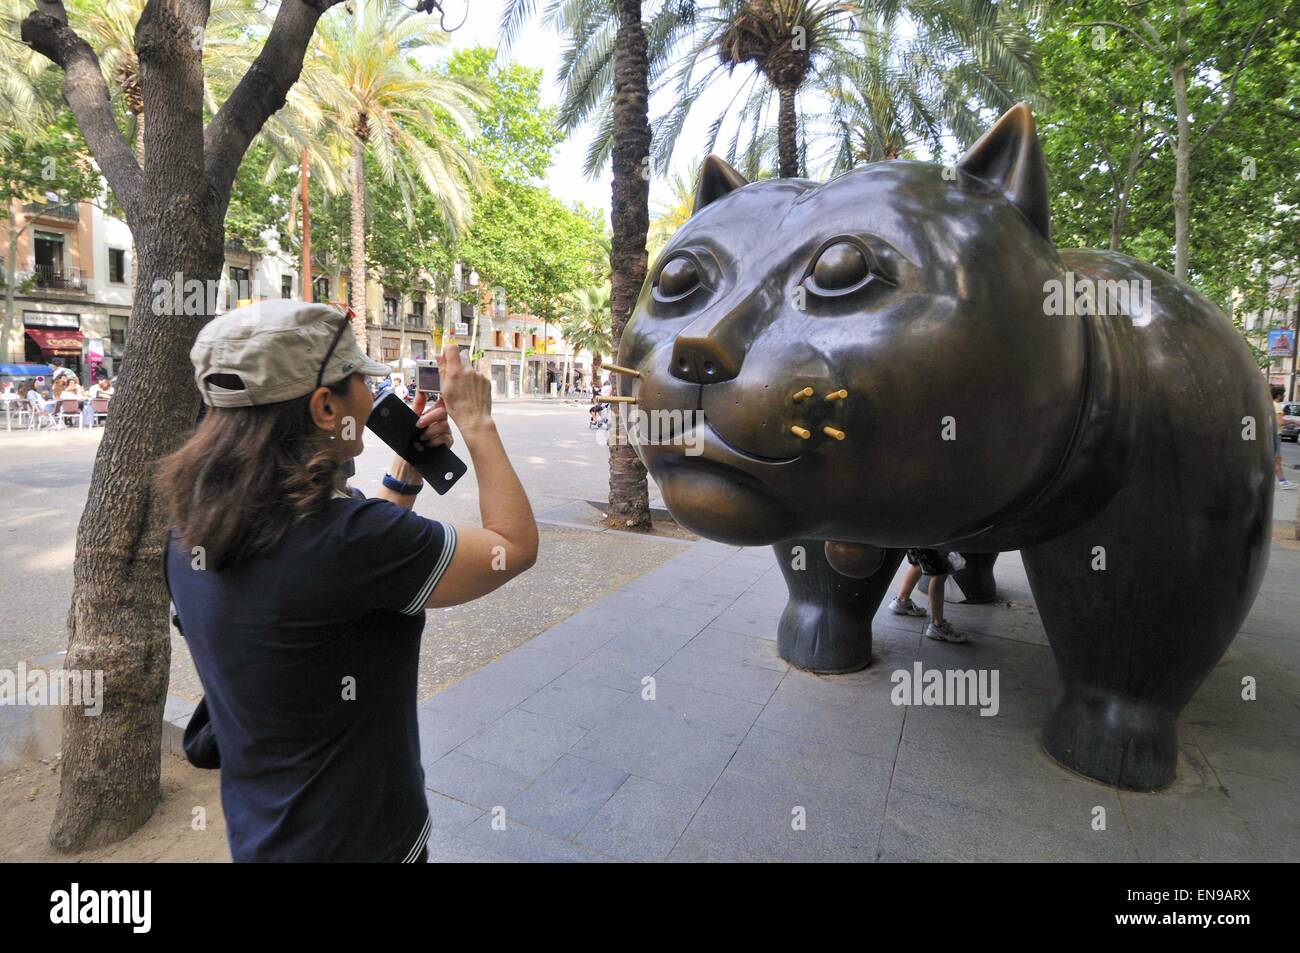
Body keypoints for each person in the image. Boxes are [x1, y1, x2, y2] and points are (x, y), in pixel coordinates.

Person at [159, 300, 538, 862]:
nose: (371, 394)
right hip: (361, 841)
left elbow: (336, 580)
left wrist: (403, 474)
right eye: (361, 379)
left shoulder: (193, 527)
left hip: (265, 831)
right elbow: (514, 546)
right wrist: (476, 421)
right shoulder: (347, 540)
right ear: (323, 405)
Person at [889, 548, 968, 643]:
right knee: (939, 573)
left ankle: (902, 601)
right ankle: (937, 625)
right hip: (932, 538)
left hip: (914, 535)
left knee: (918, 562)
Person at [1272, 385, 1296, 490]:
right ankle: (1283, 482)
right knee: (1276, 459)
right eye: (1283, 394)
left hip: (1272, 434)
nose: (1284, 396)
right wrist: (1294, 421)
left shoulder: (1271, 404)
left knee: (1276, 459)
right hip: (1275, 434)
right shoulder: (1277, 405)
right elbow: (1280, 422)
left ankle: (1282, 481)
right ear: (1278, 395)